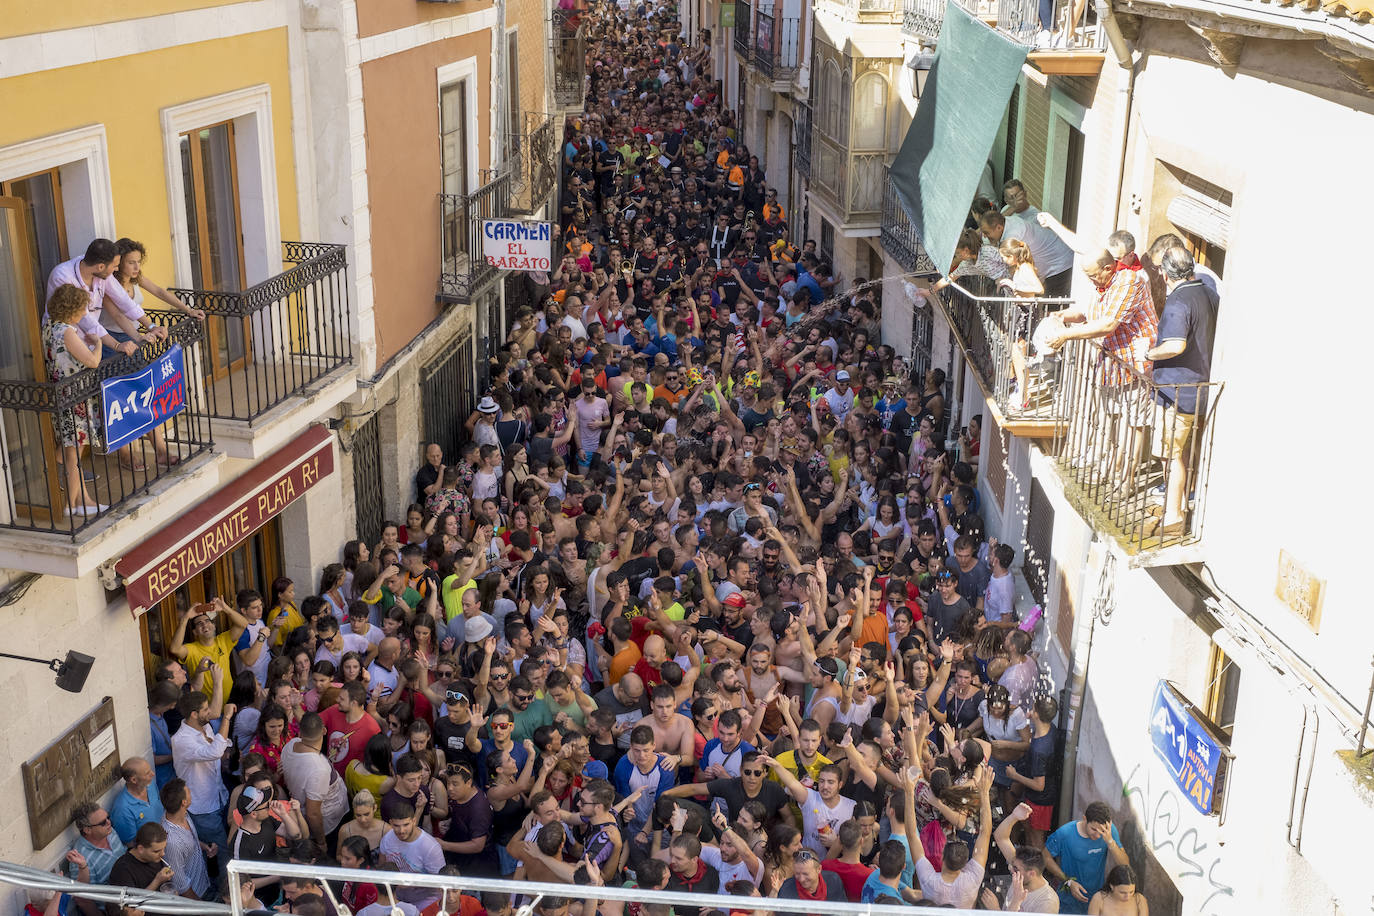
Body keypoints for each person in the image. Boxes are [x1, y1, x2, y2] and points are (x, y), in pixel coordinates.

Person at [1144, 245, 1218, 538]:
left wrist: (1149, 353)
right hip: (1197, 388)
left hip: (1175, 391)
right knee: (1182, 453)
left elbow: (1175, 345)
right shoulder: (1208, 293)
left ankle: (1173, 516)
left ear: (1163, 273)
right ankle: (1177, 507)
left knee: (1170, 456)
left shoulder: (1177, 302)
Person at [170, 685, 235, 855]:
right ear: (194, 714)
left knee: (227, 843)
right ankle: (221, 882)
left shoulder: (205, 726)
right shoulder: (181, 740)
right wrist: (226, 718)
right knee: (219, 852)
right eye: (205, 709)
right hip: (203, 807)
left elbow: (217, 748)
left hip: (220, 796)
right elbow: (214, 751)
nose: (210, 712)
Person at [282, 712, 352, 855]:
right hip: (328, 824)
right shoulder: (318, 769)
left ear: (300, 733)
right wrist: (321, 842)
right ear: (324, 731)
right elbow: (313, 813)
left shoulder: (291, 744)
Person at [1043, 801, 1128, 914]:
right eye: (1094, 829)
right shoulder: (1065, 833)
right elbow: (1045, 857)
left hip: (1096, 899)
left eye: (1102, 831)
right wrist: (1068, 881)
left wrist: (1110, 842)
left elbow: (1124, 864)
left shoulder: (1110, 831)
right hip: (1068, 900)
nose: (1098, 835)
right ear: (1084, 819)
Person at [159, 778, 212, 900]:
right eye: (189, 791)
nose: (191, 793)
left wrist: (204, 847)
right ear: (184, 802)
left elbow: (188, 843)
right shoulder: (172, 843)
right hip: (197, 895)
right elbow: (180, 883)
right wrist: (201, 908)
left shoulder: (183, 814)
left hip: (204, 882)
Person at [105, 823, 174, 914]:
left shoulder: (154, 857)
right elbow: (130, 907)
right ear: (141, 849)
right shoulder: (123, 870)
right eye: (157, 851)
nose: (163, 854)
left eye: (163, 848)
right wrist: (157, 881)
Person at [109, 757, 164, 845]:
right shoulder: (123, 809)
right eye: (147, 773)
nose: (153, 774)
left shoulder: (150, 784)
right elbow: (130, 843)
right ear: (134, 780)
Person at [66, 803, 126, 884]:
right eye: (103, 823)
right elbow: (82, 894)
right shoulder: (80, 858)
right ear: (87, 830)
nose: (109, 822)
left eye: (108, 818)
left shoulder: (109, 831)